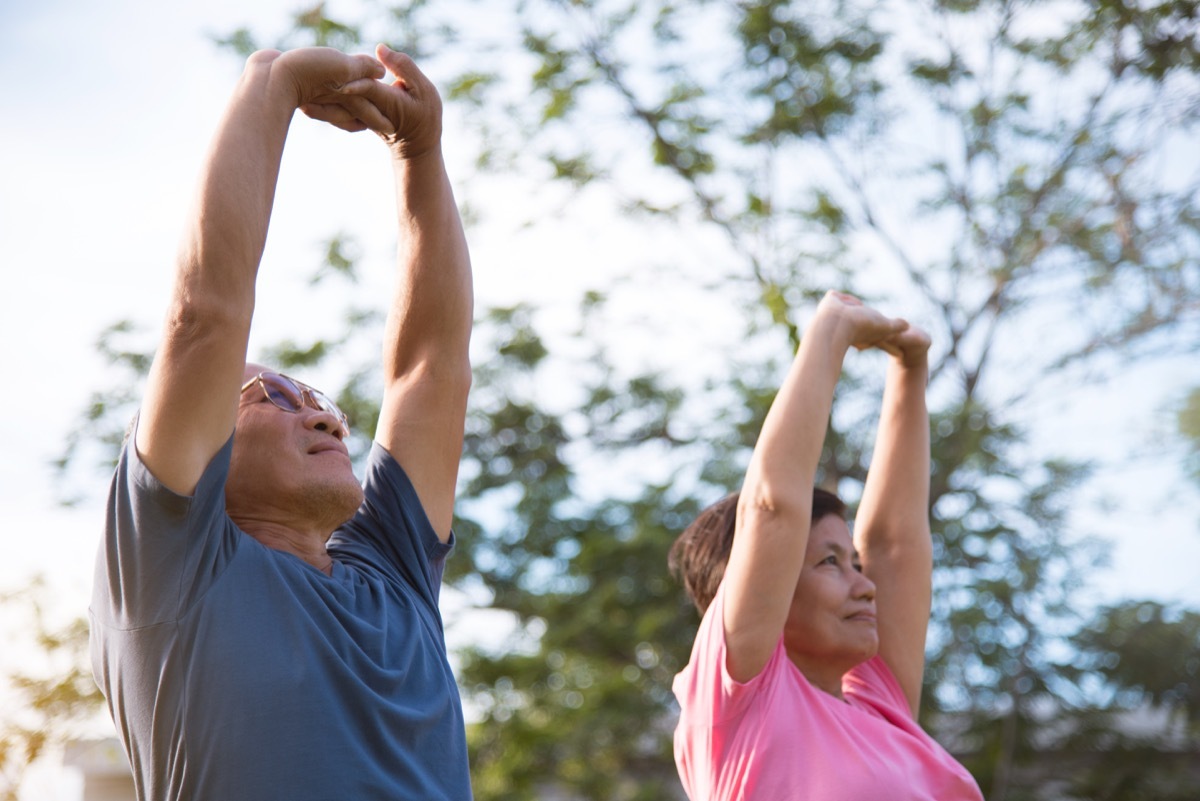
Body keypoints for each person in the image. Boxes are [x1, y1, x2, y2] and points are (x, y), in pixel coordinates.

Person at [89, 45, 474, 800]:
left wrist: (420, 154)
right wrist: (274, 82)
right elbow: (205, 315)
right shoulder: (171, 567)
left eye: (320, 398)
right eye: (273, 396)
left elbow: (429, 368)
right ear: (207, 445)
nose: (324, 416)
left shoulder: (393, 577)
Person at [668, 291, 984, 800]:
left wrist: (909, 367)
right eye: (830, 562)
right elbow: (772, 511)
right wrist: (831, 331)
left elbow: (895, 545)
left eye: (853, 563)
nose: (865, 586)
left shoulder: (880, 706)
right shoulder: (741, 704)